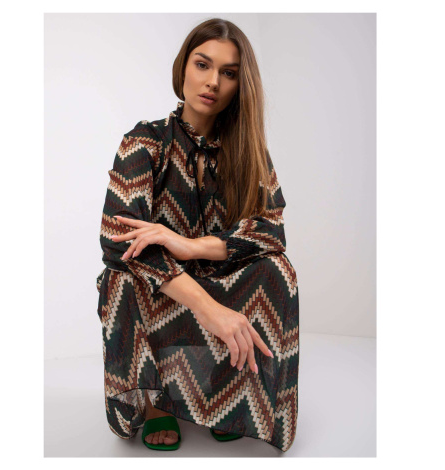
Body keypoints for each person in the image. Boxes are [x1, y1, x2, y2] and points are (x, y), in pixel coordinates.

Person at [96, 18, 299, 452]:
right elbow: (117, 236)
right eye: (202, 64)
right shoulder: (145, 141)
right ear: (183, 67)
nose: (213, 82)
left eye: (229, 73)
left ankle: (230, 400)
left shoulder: (248, 153)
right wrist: (208, 308)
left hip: (218, 280)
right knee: (120, 276)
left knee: (276, 269)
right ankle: (156, 403)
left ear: (240, 85)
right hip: (165, 293)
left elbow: (271, 230)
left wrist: (189, 246)